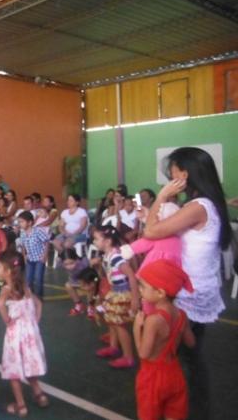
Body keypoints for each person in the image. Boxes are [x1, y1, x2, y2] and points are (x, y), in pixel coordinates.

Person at [141, 147, 232, 418]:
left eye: (173, 171)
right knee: (190, 357)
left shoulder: (197, 206)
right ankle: (190, 408)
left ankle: (185, 409)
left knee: (181, 360)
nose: (169, 176)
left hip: (188, 295)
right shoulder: (209, 203)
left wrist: (161, 197)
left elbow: (151, 230)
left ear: (185, 173)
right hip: (198, 290)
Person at [134, 260, 196, 420]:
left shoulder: (153, 320)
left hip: (152, 378)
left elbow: (143, 353)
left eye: (143, 287)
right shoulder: (182, 314)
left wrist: (136, 329)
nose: (140, 290)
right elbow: (191, 342)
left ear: (160, 293)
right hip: (175, 373)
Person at [0, 250, 48, 417]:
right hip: (30, 332)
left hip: (15, 334)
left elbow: (0, 305)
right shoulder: (25, 287)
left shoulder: (7, 289)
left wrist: (7, 321)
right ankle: (39, 394)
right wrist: (35, 319)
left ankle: (21, 405)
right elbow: (38, 304)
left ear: (8, 271)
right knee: (29, 364)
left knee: (14, 369)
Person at [93, 225, 139, 369]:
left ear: (107, 241)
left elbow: (131, 275)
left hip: (122, 293)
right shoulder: (108, 255)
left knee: (119, 324)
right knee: (112, 320)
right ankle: (114, 346)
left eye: (96, 239)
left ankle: (128, 357)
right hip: (115, 291)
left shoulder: (115, 257)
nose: (94, 242)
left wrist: (135, 298)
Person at [17, 211, 49, 298]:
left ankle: (39, 297)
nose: (20, 224)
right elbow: (23, 246)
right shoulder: (23, 233)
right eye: (19, 222)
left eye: (22, 222)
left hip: (39, 259)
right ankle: (29, 295)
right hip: (30, 259)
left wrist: (44, 255)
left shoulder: (38, 231)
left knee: (38, 278)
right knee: (28, 279)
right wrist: (24, 256)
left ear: (30, 222)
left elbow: (46, 242)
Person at [61, 248, 94, 318]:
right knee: (67, 285)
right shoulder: (61, 264)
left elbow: (96, 261)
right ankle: (79, 304)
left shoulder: (84, 263)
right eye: (66, 264)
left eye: (72, 263)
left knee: (89, 287)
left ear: (76, 259)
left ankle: (90, 306)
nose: (69, 266)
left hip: (88, 280)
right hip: (76, 281)